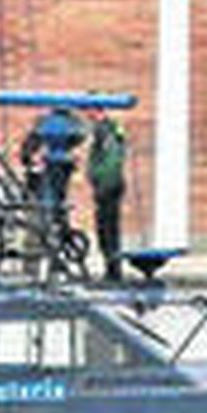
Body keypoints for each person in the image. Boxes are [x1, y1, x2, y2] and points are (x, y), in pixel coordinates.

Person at [85, 105, 128, 282]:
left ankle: (113, 270)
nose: (86, 113)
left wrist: (101, 182)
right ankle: (111, 267)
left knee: (108, 229)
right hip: (105, 186)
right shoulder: (101, 130)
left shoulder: (108, 130)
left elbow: (112, 161)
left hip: (108, 186)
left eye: (89, 109)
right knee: (105, 229)